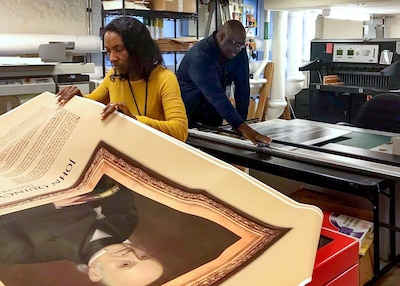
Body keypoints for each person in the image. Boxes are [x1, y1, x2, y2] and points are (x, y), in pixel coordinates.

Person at [0, 175, 163, 286]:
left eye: (125, 264)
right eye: (143, 256)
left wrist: (49, 204)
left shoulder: (22, 251)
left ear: (95, 274)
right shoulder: (128, 221)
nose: (130, 253)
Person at [57, 17, 188, 142]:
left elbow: (180, 130)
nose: (112, 58)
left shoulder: (164, 79)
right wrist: (79, 99)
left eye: (119, 50)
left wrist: (133, 120)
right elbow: (93, 104)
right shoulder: (114, 76)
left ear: (138, 49)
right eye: (108, 51)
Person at [176, 20, 271, 146]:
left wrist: (240, 126)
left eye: (241, 45)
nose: (238, 49)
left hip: (213, 118)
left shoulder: (238, 51)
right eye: (235, 44)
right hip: (188, 117)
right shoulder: (200, 57)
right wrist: (244, 128)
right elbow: (216, 96)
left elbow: (242, 87)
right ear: (222, 37)